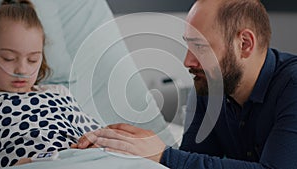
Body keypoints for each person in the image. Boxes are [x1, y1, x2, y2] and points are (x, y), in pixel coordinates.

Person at [74, 0, 297, 168]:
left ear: (245, 44)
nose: (187, 61)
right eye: (188, 46)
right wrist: (127, 145)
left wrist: (164, 155)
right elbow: (192, 160)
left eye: (200, 47)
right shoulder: (210, 89)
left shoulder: (292, 86)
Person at [0, 0, 101, 168]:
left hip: (80, 161)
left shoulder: (58, 93)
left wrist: (95, 142)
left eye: (32, 60)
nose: (22, 69)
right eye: (8, 58)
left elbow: (96, 134)